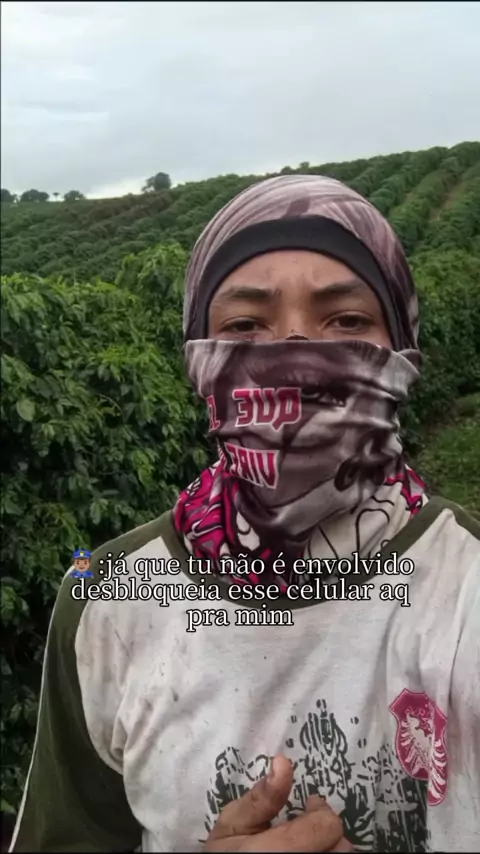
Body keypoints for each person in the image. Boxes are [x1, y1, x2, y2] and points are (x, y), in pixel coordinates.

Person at [10, 175, 480, 853]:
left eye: (347, 321)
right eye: (244, 325)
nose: (294, 356)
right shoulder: (106, 599)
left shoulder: (467, 585)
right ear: (198, 362)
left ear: (403, 350)